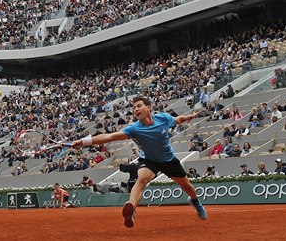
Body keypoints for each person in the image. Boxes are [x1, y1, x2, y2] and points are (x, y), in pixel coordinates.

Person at [72, 97, 207, 228]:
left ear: (148, 108)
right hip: (149, 160)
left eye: (139, 106)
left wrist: (189, 117)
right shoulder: (134, 128)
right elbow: (109, 136)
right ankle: (131, 208)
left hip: (168, 160)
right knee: (141, 179)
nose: (135, 109)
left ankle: (195, 202)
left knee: (187, 187)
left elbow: (177, 120)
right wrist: (84, 141)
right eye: (134, 108)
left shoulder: (163, 118)